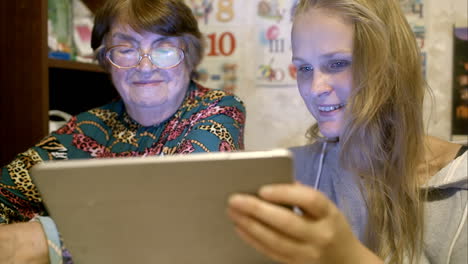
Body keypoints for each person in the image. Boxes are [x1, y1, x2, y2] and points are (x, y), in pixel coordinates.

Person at [0, 0, 245, 263]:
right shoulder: (87, 128)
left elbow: (184, 214)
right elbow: (6, 192)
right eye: (127, 48)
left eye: (163, 47)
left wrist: (45, 238)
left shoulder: (217, 110)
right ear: (106, 58)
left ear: (190, 54)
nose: (145, 66)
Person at [227, 0, 467, 263]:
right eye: (304, 68)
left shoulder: (459, 189)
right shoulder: (288, 173)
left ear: (390, 62)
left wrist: (347, 256)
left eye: (337, 64)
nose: (314, 88)